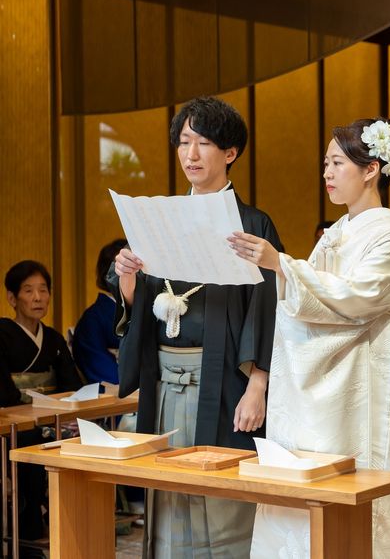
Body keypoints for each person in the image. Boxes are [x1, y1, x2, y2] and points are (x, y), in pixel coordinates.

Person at [229, 118, 390, 558]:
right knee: (307, 495)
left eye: (338, 163)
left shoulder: (389, 231)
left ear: (371, 169)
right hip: (327, 391)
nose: (327, 173)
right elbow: (310, 300)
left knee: (352, 498)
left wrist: (282, 265)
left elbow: (359, 298)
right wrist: (286, 271)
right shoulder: (338, 231)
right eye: (325, 163)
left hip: (363, 387)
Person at [110, 96, 281, 558]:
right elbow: (140, 306)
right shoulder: (159, 219)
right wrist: (127, 279)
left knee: (222, 497)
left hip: (226, 382)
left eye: (203, 143)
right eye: (184, 142)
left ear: (230, 152)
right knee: (169, 493)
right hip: (165, 380)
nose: (191, 154)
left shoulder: (253, 223)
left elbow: (268, 308)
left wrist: (258, 387)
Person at [0, 260, 82, 550]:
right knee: (30, 441)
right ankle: (29, 531)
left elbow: (71, 385)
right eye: (28, 290)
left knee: (80, 437)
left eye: (43, 290)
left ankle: (73, 525)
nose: (38, 298)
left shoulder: (54, 339)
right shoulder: (2, 335)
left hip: (50, 419)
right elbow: (5, 393)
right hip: (14, 422)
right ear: (12, 298)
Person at [73, 238, 127, 384]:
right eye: (126, 270)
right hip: (118, 393)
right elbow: (101, 369)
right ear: (108, 275)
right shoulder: (92, 320)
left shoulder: (150, 311)